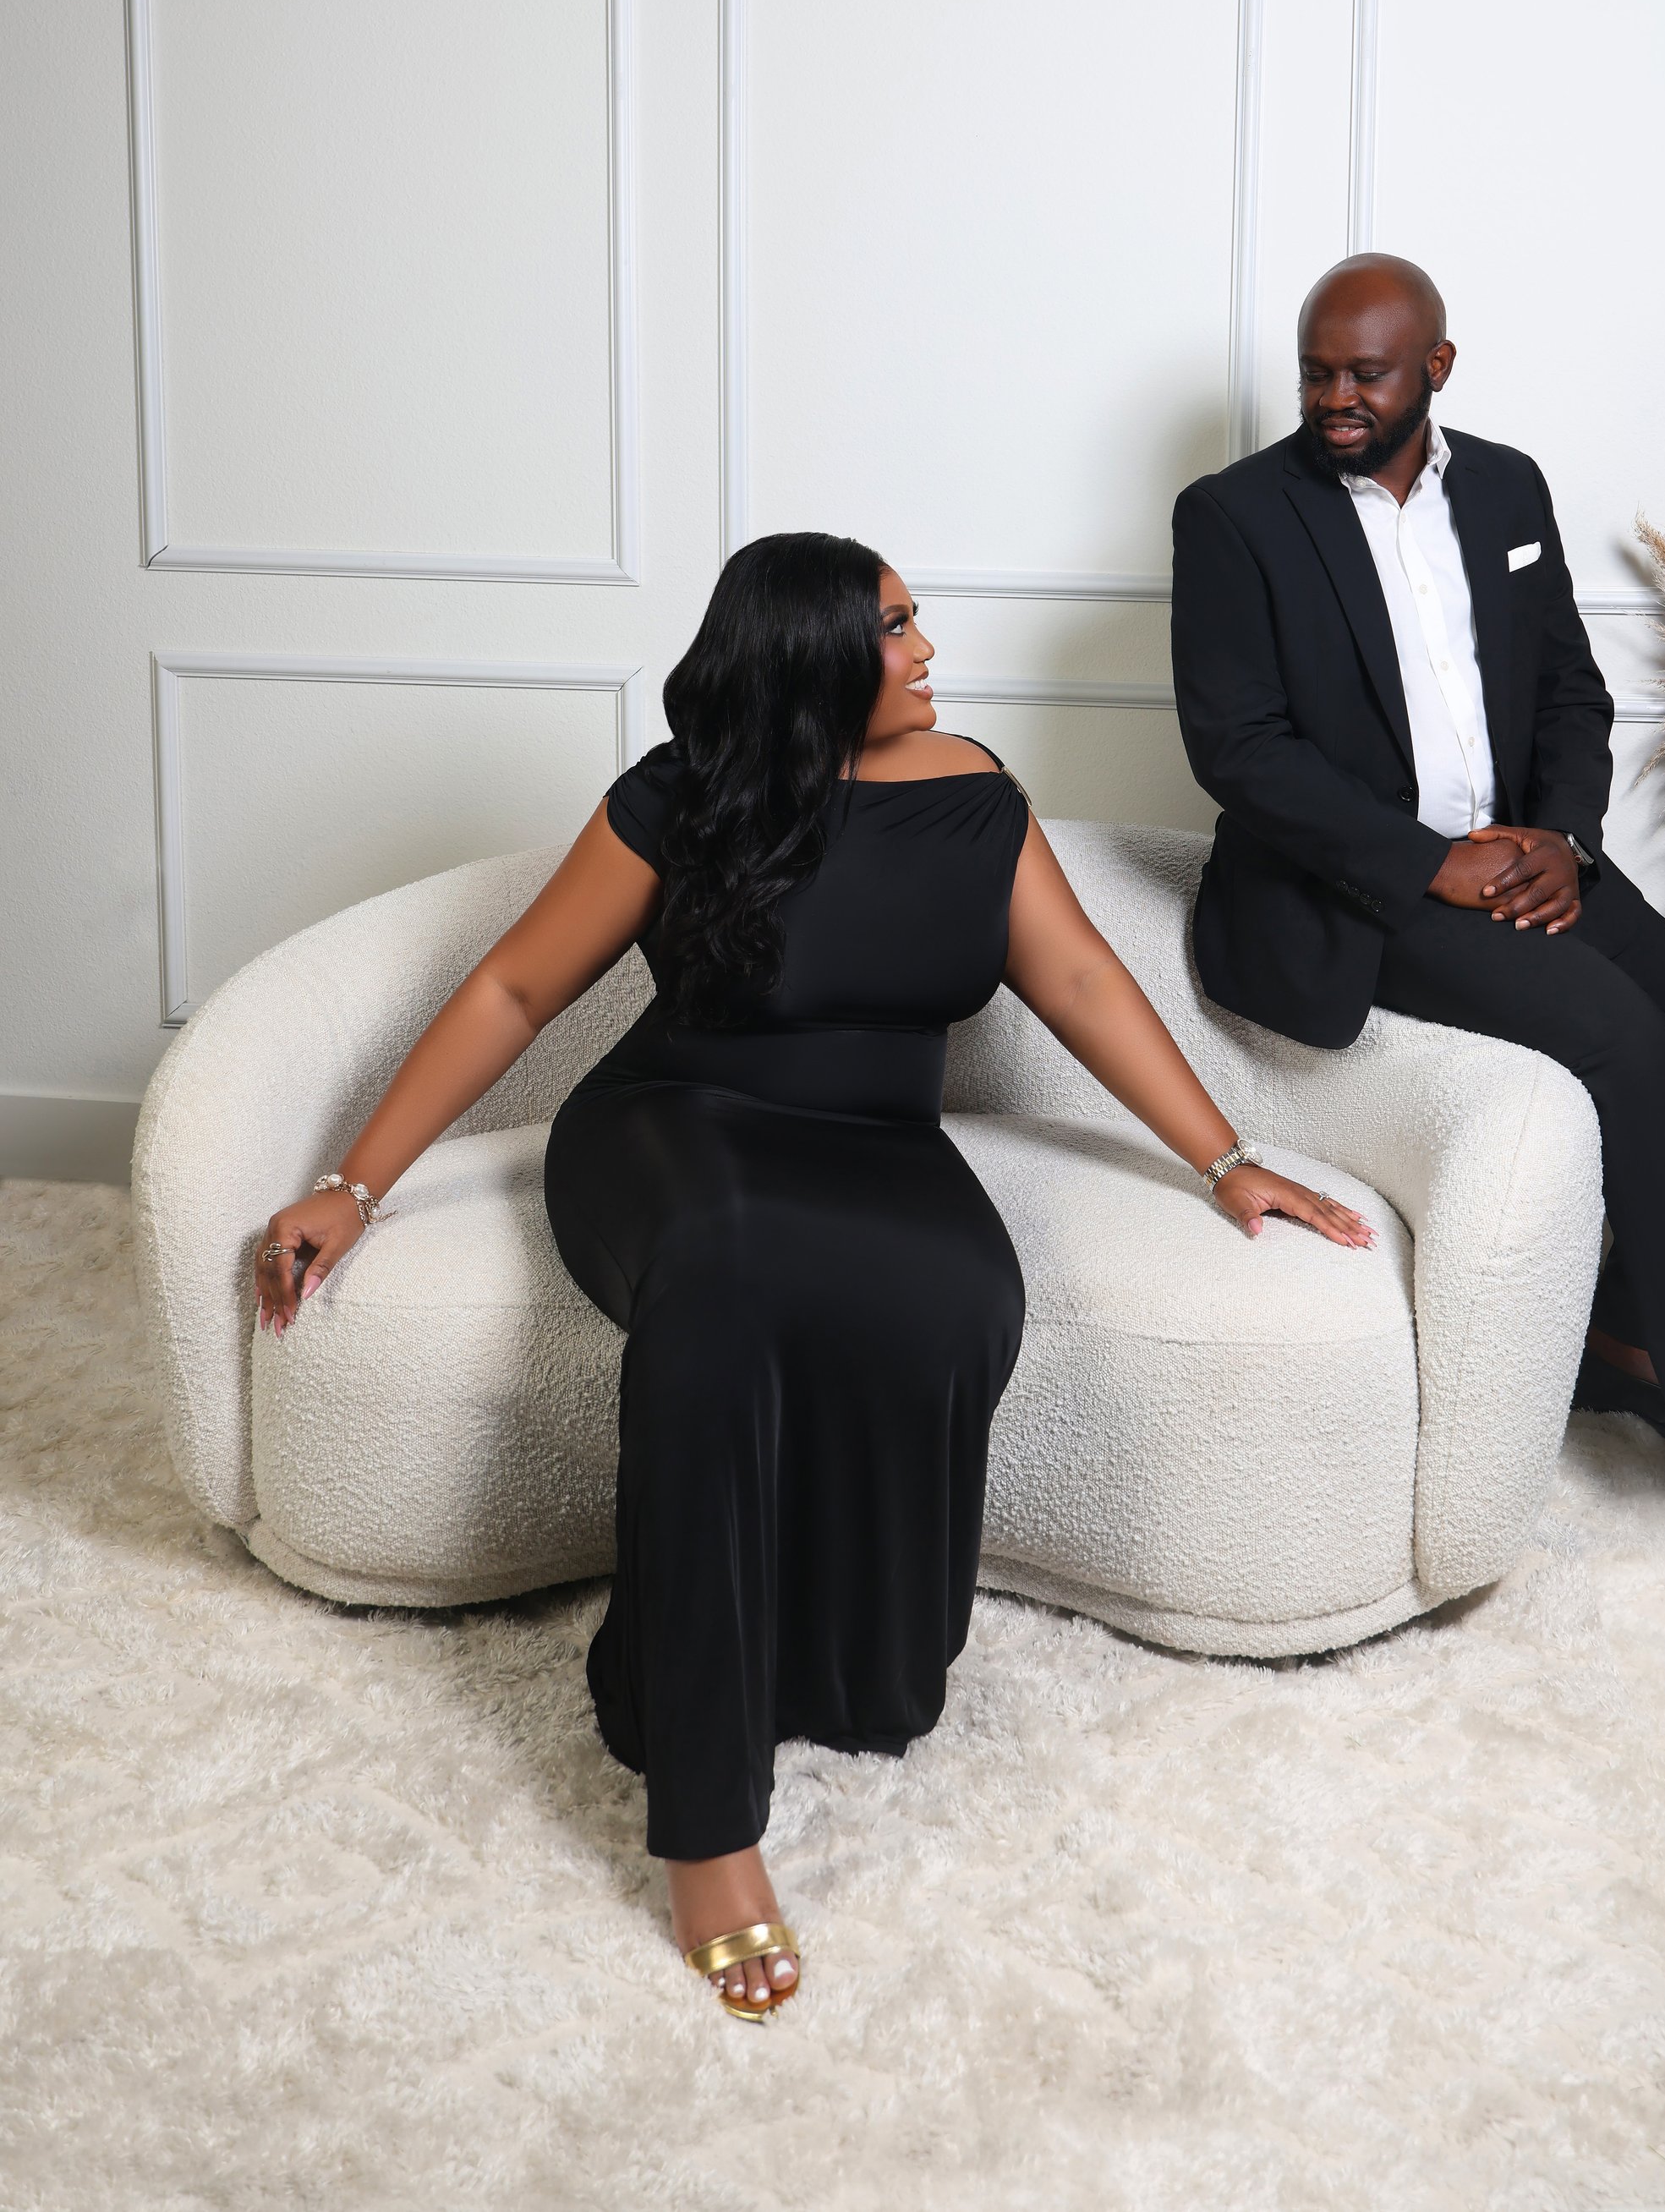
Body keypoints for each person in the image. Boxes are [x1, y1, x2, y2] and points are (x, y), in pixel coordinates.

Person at [253, 534, 1372, 2020]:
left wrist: (1225, 1159)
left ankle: (841, 1668)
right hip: (674, 1129)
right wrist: (354, 1184)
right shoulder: (685, 795)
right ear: (814, 655)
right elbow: (518, 985)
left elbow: (1084, 980)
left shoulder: (976, 796)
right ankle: (706, 1818)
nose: (926, 647)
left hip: (874, 1148)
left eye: (916, 620)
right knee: (724, 1288)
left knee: (960, 1295)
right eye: (894, 627)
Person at [1169, 251, 1665, 1564]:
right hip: (1355, 891)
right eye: (1315, 372)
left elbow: (1570, 686)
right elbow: (1240, 750)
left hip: (1524, 856)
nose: (1335, 397)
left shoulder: (1509, 488)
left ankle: (1624, 1336)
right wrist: (1426, 864)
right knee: (1620, 1036)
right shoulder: (1233, 516)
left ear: (1437, 368)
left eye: (1366, 374)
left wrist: (1563, 840)